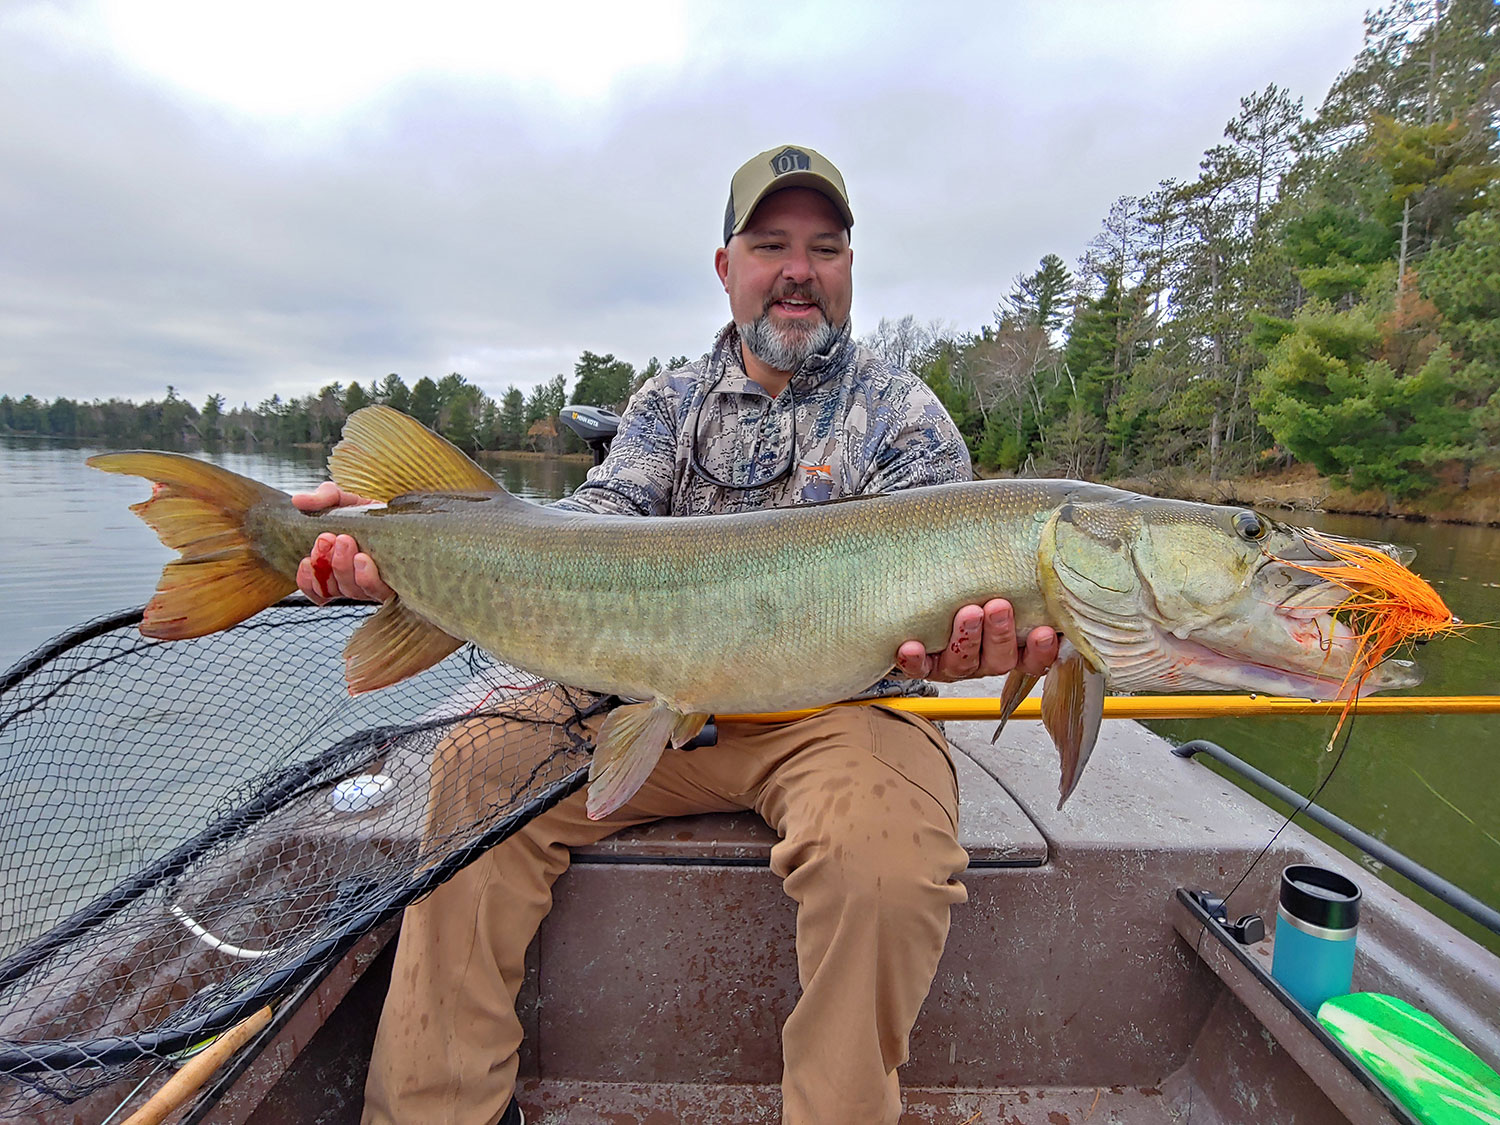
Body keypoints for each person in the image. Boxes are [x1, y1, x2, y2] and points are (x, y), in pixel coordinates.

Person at [294, 145, 1057, 1125]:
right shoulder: (669, 403)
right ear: (726, 266)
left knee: (884, 862)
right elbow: (594, 527)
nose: (798, 268)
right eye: (771, 243)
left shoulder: (902, 415)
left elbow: (945, 626)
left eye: (825, 247)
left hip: (842, 710)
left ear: (850, 269)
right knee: (475, 763)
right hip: (647, 692)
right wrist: (414, 542)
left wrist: (975, 647)